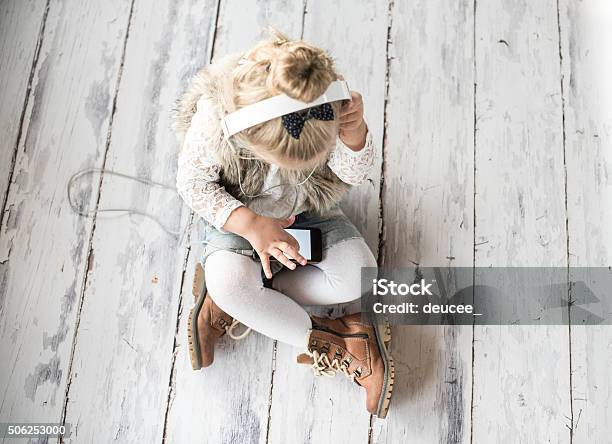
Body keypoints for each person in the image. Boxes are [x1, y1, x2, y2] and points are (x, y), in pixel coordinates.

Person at [173, 29, 393, 418]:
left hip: (307, 209)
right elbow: (192, 184)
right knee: (229, 281)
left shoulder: (324, 103)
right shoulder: (218, 119)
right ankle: (338, 340)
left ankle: (241, 300)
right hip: (239, 216)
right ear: (248, 138)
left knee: (359, 274)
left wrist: (354, 135)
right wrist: (252, 224)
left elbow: (352, 173)